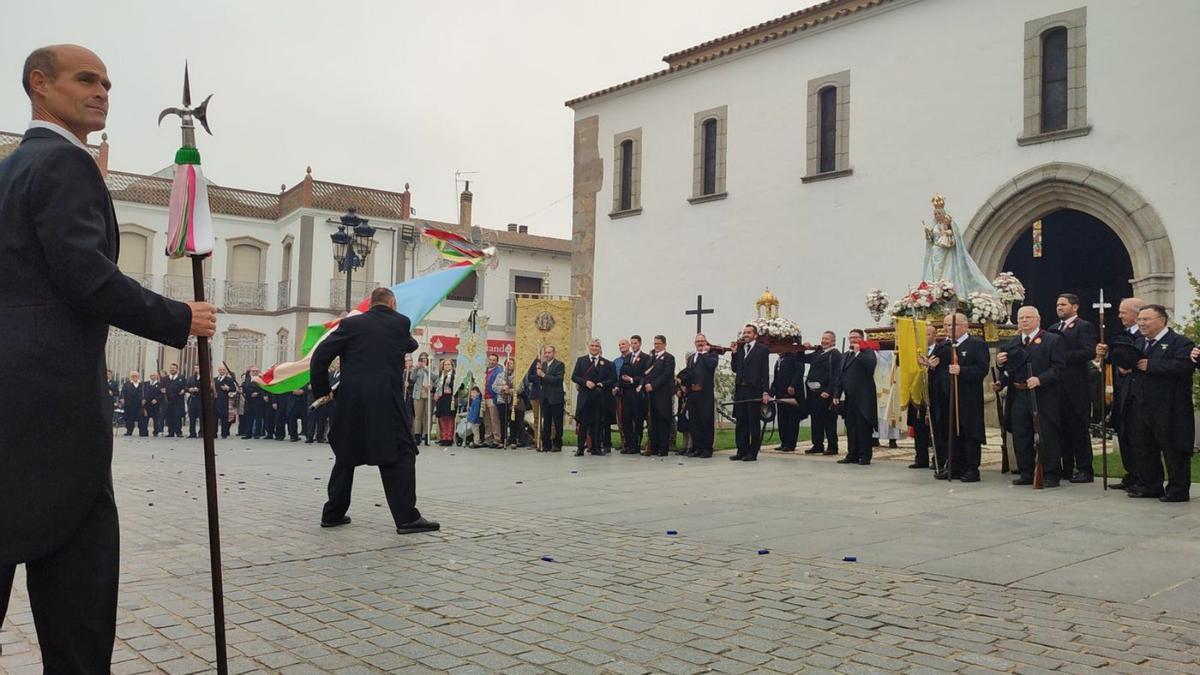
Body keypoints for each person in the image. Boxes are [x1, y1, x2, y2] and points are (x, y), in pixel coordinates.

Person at [0, 43, 216, 671]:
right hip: (55, 412)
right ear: (40, 85)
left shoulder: (10, 170)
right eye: (86, 79)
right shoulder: (66, 165)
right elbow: (84, 276)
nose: (102, 92)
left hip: (12, 403)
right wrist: (179, 316)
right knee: (78, 600)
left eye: (108, 83)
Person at [310, 287, 438, 534]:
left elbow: (320, 357)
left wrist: (323, 390)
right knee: (400, 454)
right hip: (385, 400)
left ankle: (333, 513)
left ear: (371, 304)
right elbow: (410, 344)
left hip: (351, 400)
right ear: (392, 303)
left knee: (346, 455)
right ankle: (406, 518)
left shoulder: (351, 324)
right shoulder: (400, 322)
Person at [1124, 305, 1195, 502]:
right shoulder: (1139, 342)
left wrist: (1152, 365)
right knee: (1144, 447)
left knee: (1173, 449)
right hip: (1141, 404)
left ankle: (1177, 489)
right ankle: (1151, 485)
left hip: (1170, 407)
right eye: (1139, 319)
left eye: (1146, 319)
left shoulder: (1180, 343)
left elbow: (1184, 366)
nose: (1141, 323)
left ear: (1162, 320)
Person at [997, 306, 1066, 487]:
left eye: (1028, 317)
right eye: (1021, 318)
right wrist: (1000, 365)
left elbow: (1059, 368)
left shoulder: (1052, 340)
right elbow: (1008, 370)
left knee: (1046, 434)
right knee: (1021, 433)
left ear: (1038, 319)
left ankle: (1051, 473)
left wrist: (1040, 379)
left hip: (1043, 394)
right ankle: (1026, 472)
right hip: (1018, 393)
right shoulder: (1012, 343)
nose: (1024, 321)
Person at [924, 313, 989, 482]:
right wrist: (931, 367)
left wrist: (962, 371)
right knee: (948, 433)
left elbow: (982, 369)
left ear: (965, 326)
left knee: (969, 432)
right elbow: (936, 370)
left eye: (953, 325)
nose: (948, 328)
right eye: (946, 325)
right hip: (946, 399)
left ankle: (972, 469)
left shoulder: (977, 345)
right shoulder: (943, 346)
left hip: (967, 399)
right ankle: (953, 466)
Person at [1050, 293, 1099, 483]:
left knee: (1078, 428)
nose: (1059, 307)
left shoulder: (1083, 326)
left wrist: (1062, 356)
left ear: (1075, 307)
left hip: (1076, 386)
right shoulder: (1054, 328)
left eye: (1063, 304)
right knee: (1061, 429)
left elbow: (1088, 351)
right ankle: (1066, 467)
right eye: (1057, 304)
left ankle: (1085, 469)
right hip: (1057, 386)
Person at [1096, 297, 1144, 490]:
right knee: (1123, 434)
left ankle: (1142, 476)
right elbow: (1117, 360)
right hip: (1121, 391)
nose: (1119, 315)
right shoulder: (1123, 334)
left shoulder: (1143, 336)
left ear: (1137, 313)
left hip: (1137, 393)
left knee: (1137, 436)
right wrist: (1106, 354)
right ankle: (1131, 473)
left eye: (1123, 312)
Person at [834, 329, 878, 465]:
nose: (853, 340)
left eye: (856, 338)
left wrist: (859, 352)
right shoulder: (845, 355)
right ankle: (852, 454)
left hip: (864, 397)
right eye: (851, 338)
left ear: (862, 339)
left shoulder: (868, 352)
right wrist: (836, 393)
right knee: (851, 427)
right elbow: (840, 376)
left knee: (863, 427)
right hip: (849, 397)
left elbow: (870, 366)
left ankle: (865, 456)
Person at [730, 324, 771, 461]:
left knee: (753, 421)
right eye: (744, 332)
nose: (746, 335)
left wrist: (766, 391)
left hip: (754, 390)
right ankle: (741, 450)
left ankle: (753, 452)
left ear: (755, 335)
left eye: (748, 332)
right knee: (741, 421)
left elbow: (765, 372)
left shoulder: (762, 349)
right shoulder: (741, 350)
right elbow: (735, 368)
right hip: (741, 389)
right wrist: (734, 354)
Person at [799, 331, 842, 455]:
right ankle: (817, 445)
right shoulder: (818, 353)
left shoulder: (835, 355)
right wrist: (802, 348)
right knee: (816, 419)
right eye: (823, 338)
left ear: (833, 341)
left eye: (827, 339)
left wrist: (829, 391)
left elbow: (837, 376)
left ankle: (833, 446)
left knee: (829, 420)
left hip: (825, 393)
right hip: (813, 392)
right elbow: (801, 358)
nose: (824, 341)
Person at [572, 339, 615, 456]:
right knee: (583, 424)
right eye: (592, 345)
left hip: (599, 397)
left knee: (597, 423)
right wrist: (585, 382)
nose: (594, 348)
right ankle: (580, 448)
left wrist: (602, 384)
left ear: (600, 348)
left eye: (597, 346)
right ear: (588, 346)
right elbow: (574, 376)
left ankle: (596, 448)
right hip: (585, 397)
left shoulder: (607, 363)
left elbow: (612, 379)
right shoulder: (581, 361)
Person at [682, 334, 719, 458]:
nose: (700, 343)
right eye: (698, 341)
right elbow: (688, 372)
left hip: (705, 393)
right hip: (693, 393)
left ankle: (707, 448)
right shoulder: (692, 357)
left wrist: (704, 354)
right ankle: (697, 447)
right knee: (695, 421)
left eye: (702, 341)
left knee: (706, 420)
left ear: (706, 342)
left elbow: (711, 366)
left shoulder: (711, 355)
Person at [908, 323, 939, 469]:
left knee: (936, 430)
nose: (924, 338)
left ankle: (937, 459)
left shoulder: (940, 350)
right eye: (922, 335)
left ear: (935, 336)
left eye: (928, 334)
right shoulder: (915, 352)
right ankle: (921, 458)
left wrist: (927, 364)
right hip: (918, 396)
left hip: (934, 395)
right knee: (919, 429)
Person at [642, 335, 676, 457]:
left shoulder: (669, 358)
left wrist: (653, 385)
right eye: (655, 343)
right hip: (651, 394)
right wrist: (646, 384)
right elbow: (646, 373)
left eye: (659, 343)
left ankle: (663, 448)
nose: (656, 345)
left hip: (663, 393)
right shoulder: (652, 358)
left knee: (663, 420)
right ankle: (654, 447)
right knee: (653, 421)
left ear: (664, 344)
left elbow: (666, 375)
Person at [619, 335, 650, 453]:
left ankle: (636, 445)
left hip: (638, 393)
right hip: (626, 393)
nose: (633, 345)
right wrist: (620, 384)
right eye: (631, 343)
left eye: (635, 343)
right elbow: (622, 374)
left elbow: (645, 375)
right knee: (625, 418)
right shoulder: (627, 358)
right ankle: (628, 444)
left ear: (640, 344)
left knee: (637, 419)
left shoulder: (645, 358)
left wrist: (632, 380)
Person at [772, 351, 807, 452]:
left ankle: (791, 444)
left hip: (791, 393)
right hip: (780, 393)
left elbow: (799, 371)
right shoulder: (779, 360)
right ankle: (784, 442)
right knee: (782, 419)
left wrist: (792, 385)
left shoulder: (795, 356)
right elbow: (776, 377)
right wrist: (772, 390)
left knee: (792, 419)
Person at [536, 345, 566, 452]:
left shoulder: (559, 365)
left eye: (549, 353)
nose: (547, 355)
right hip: (545, 398)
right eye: (546, 353)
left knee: (558, 423)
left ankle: (557, 444)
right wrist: (538, 372)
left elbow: (558, 379)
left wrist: (543, 375)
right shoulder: (542, 365)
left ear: (554, 353)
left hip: (556, 398)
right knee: (546, 422)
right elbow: (537, 380)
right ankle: (546, 444)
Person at [409, 353, 432, 446]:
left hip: (428, 394)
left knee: (427, 417)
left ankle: (427, 436)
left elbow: (435, 377)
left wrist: (426, 368)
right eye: (421, 359)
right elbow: (412, 378)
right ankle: (417, 436)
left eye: (425, 358)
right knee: (418, 417)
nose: (423, 360)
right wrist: (416, 369)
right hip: (419, 394)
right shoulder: (417, 369)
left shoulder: (431, 368)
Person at [482, 354, 503, 448]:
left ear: (497, 361)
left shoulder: (499, 371)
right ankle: (488, 439)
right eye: (490, 359)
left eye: (494, 360)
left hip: (492, 397)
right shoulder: (485, 370)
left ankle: (496, 439)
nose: (491, 361)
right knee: (486, 420)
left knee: (494, 420)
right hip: (484, 398)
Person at [433, 359, 456, 446]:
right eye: (445, 364)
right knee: (442, 418)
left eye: (448, 364)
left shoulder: (454, 375)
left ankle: (449, 438)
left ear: (451, 365)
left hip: (449, 398)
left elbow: (457, 387)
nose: (447, 366)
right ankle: (444, 437)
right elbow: (438, 386)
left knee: (449, 417)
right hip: (440, 398)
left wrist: (450, 383)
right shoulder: (440, 375)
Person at [213, 366, 238, 438]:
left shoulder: (229, 379)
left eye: (223, 370)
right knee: (214, 418)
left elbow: (233, 389)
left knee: (224, 418)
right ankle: (214, 433)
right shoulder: (214, 379)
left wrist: (228, 388)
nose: (222, 371)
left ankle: (224, 433)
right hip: (215, 400)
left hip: (224, 401)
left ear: (226, 371)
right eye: (220, 370)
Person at [121, 371, 148, 437]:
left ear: (138, 376)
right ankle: (129, 431)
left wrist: (145, 399)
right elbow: (122, 393)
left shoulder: (143, 384)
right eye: (133, 376)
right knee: (129, 419)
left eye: (136, 376)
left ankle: (143, 432)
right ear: (131, 377)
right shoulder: (126, 384)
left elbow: (147, 393)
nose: (134, 377)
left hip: (140, 405)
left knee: (141, 419)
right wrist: (122, 398)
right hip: (129, 404)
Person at [161, 363, 185, 438]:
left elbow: (186, 386)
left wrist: (183, 390)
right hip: (168, 400)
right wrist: (162, 390)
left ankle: (178, 432)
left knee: (177, 416)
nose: (172, 369)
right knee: (169, 416)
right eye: (171, 368)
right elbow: (161, 387)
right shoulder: (165, 378)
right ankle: (170, 432)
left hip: (178, 400)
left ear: (177, 369)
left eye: (174, 368)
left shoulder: (182, 378)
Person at [186, 364, 203, 438]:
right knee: (192, 416)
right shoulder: (191, 378)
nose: (196, 370)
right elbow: (186, 386)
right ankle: (192, 433)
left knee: (201, 416)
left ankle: (201, 433)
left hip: (201, 399)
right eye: (195, 368)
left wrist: (198, 389)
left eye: (198, 368)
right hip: (193, 398)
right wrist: (189, 389)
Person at [144, 370, 163, 436]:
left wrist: (157, 399)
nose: (152, 377)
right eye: (151, 375)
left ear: (157, 376)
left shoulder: (160, 384)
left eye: (154, 375)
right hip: (147, 404)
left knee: (156, 419)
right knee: (145, 418)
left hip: (155, 404)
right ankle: (144, 431)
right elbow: (143, 393)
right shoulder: (146, 384)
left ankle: (156, 431)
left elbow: (161, 394)